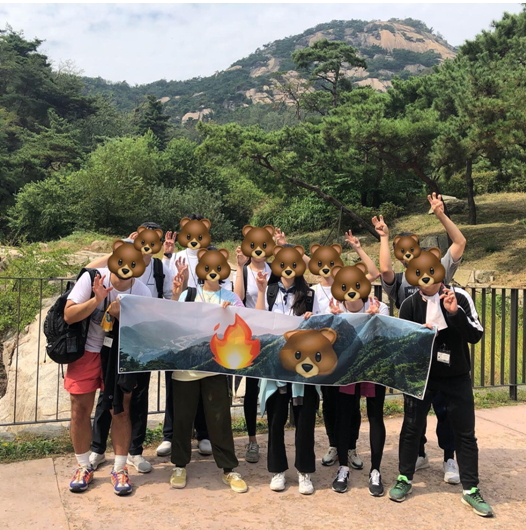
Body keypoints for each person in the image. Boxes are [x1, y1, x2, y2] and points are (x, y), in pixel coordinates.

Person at [374, 193, 466, 484]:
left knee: (446, 411)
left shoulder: (438, 270)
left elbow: (459, 243)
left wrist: (440, 214)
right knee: (415, 414)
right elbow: (385, 271)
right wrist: (384, 237)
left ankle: (449, 457)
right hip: (415, 359)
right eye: (403, 251)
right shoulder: (401, 282)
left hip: (445, 356)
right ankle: (420, 453)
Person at [389, 277, 493, 518]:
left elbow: (475, 334)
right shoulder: (409, 304)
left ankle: (471, 489)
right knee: (411, 427)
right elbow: (402, 345)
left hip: (456, 374)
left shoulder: (459, 296)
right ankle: (404, 478)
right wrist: (418, 336)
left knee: (465, 432)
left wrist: (455, 313)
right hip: (421, 375)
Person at [85, 223, 174, 474]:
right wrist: (121, 248)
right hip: (112, 338)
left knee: (138, 395)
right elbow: (88, 270)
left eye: (154, 240)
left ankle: (135, 451)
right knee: (107, 393)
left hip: (143, 339)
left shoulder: (160, 268)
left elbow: (169, 300)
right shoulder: (120, 260)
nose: (147, 244)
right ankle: (98, 448)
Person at [64, 256, 151, 495]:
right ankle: (83, 467)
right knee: (79, 409)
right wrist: (96, 300)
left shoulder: (142, 291)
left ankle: (120, 469)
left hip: (118, 355)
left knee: (120, 410)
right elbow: (69, 315)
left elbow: (145, 331)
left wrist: (123, 316)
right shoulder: (93, 278)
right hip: (87, 352)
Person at [168, 247, 248, 493]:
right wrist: (175, 295)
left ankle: (228, 468)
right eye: (208, 267)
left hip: (216, 367)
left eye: (218, 267)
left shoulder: (231, 297)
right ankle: (179, 465)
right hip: (186, 368)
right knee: (182, 418)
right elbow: (172, 321)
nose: (213, 272)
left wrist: (232, 313)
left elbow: (246, 324)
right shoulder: (189, 294)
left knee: (219, 418)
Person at [255, 244, 320, 495]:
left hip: (304, 367)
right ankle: (277, 470)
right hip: (275, 364)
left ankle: (305, 471)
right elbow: (259, 321)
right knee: (276, 419)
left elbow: (322, 327)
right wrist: (261, 291)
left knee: (305, 420)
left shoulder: (311, 294)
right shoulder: (270, 291)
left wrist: (312, 322)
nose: (288, 268)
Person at [315, 231, 378, 470]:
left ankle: (350, 446)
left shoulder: (360, 296)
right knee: (330, 404)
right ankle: (334, 445)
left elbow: (374, 273)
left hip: (354, 360)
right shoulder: (321, 295)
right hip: (330, 359)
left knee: (352, 406)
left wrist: (359, 248)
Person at [327, 295, 388, 497]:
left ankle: (375, 470)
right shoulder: (335, 307)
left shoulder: (379, 306)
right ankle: (343, 467)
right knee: (343, 414)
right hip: (347, 367)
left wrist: (376, 319)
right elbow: (331, 340)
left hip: (373, 366)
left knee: (375, 416)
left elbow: (384, 338)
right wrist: (336, 319)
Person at [232, 245, 273, 464]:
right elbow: (237, 299)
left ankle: (275, 438)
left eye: (264, 244)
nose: (259, 249)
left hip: (272, 335)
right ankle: (252, 439)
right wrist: (239, 267)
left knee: (275, 388)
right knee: (251, 389)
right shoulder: (245, 272)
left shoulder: (275, 270)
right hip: (250, 336)